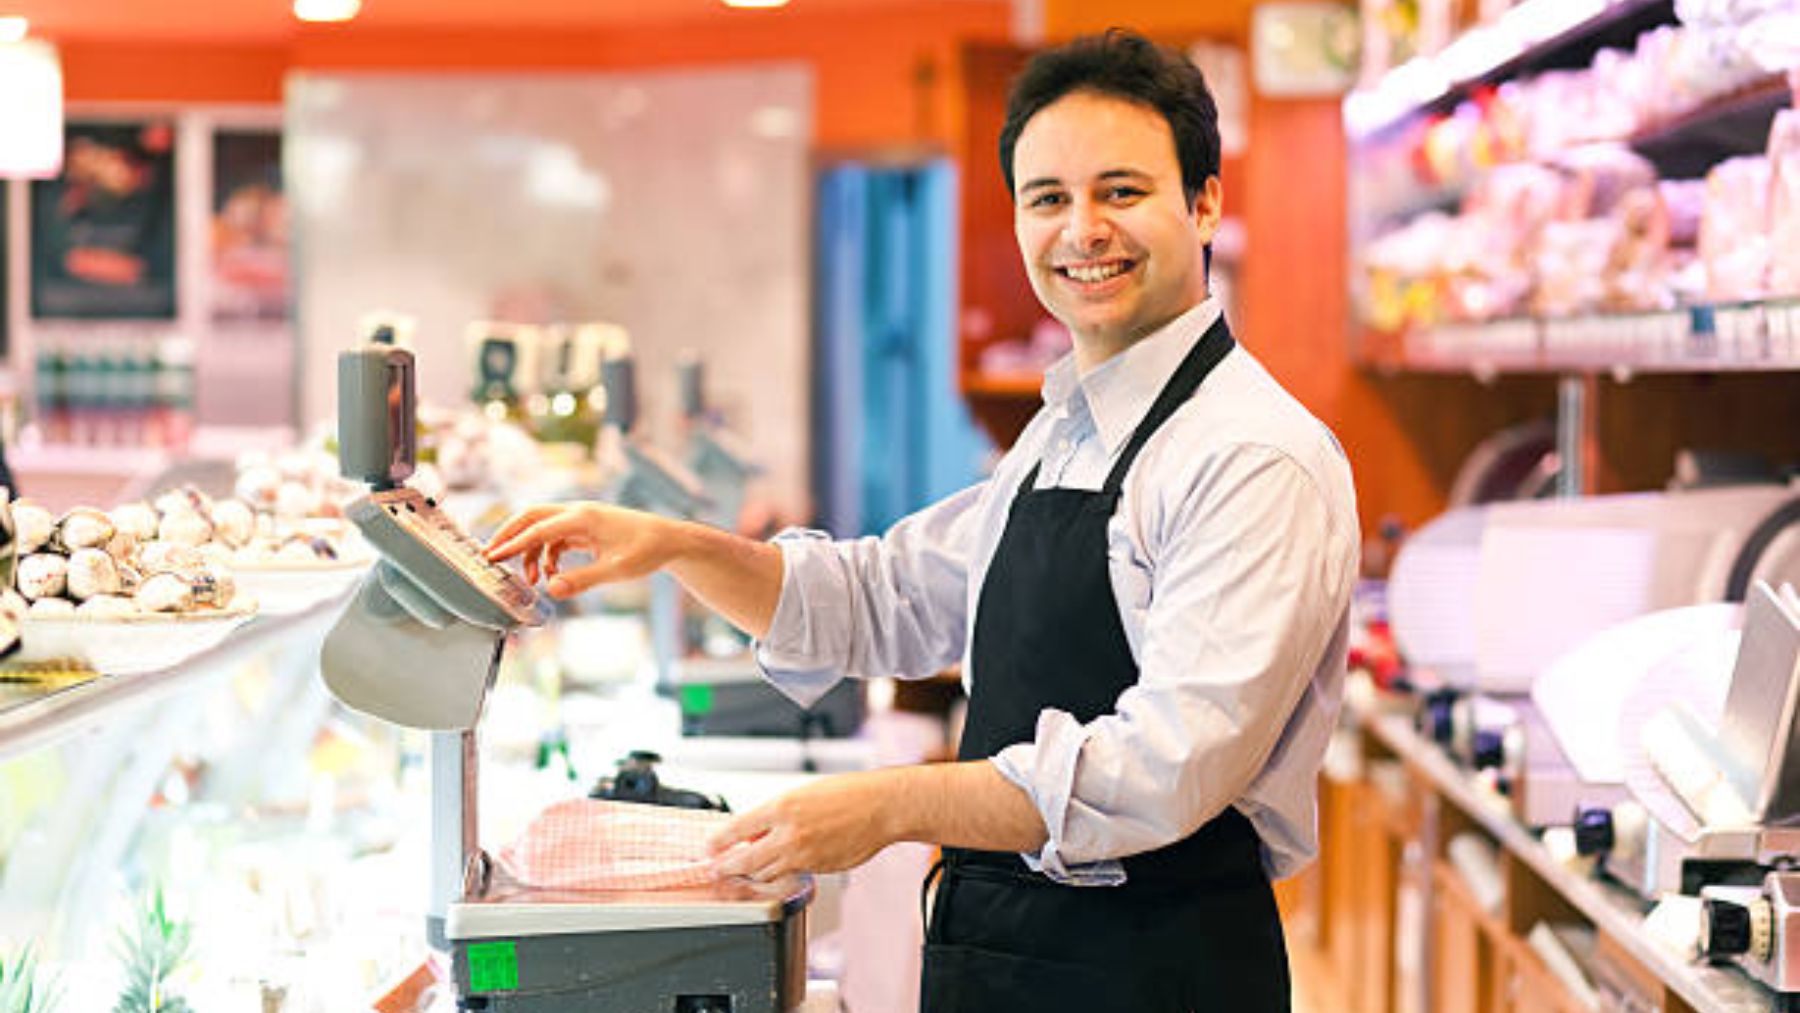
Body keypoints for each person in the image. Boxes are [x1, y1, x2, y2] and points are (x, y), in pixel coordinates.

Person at [486, 27, 1357, 1013]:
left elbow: (1160, 768)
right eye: (1049, 199)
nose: (1082, 232)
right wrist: (673, 542)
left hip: (1155, 969)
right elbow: (881, 597)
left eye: (1121, 191)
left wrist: (892, 804)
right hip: (1007, 950)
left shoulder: (1253, 456)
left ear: (1203, 201)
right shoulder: (1063, 430)